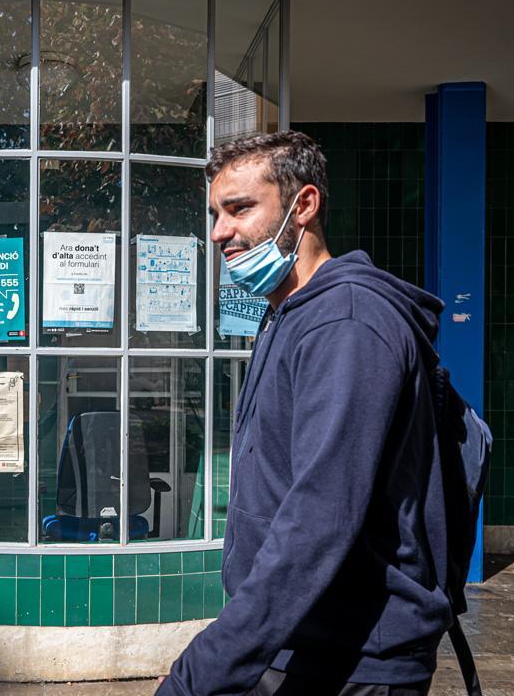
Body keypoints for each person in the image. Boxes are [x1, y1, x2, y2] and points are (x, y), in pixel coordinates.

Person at [156, 131, 451, 696]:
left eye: (240, 209)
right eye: (216, 213)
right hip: (303, 644)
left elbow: (319, 516)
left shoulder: (346, 322)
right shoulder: (289, 313)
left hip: (354, 662)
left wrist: (203, 672)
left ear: (305, 205)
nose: (220, 232)